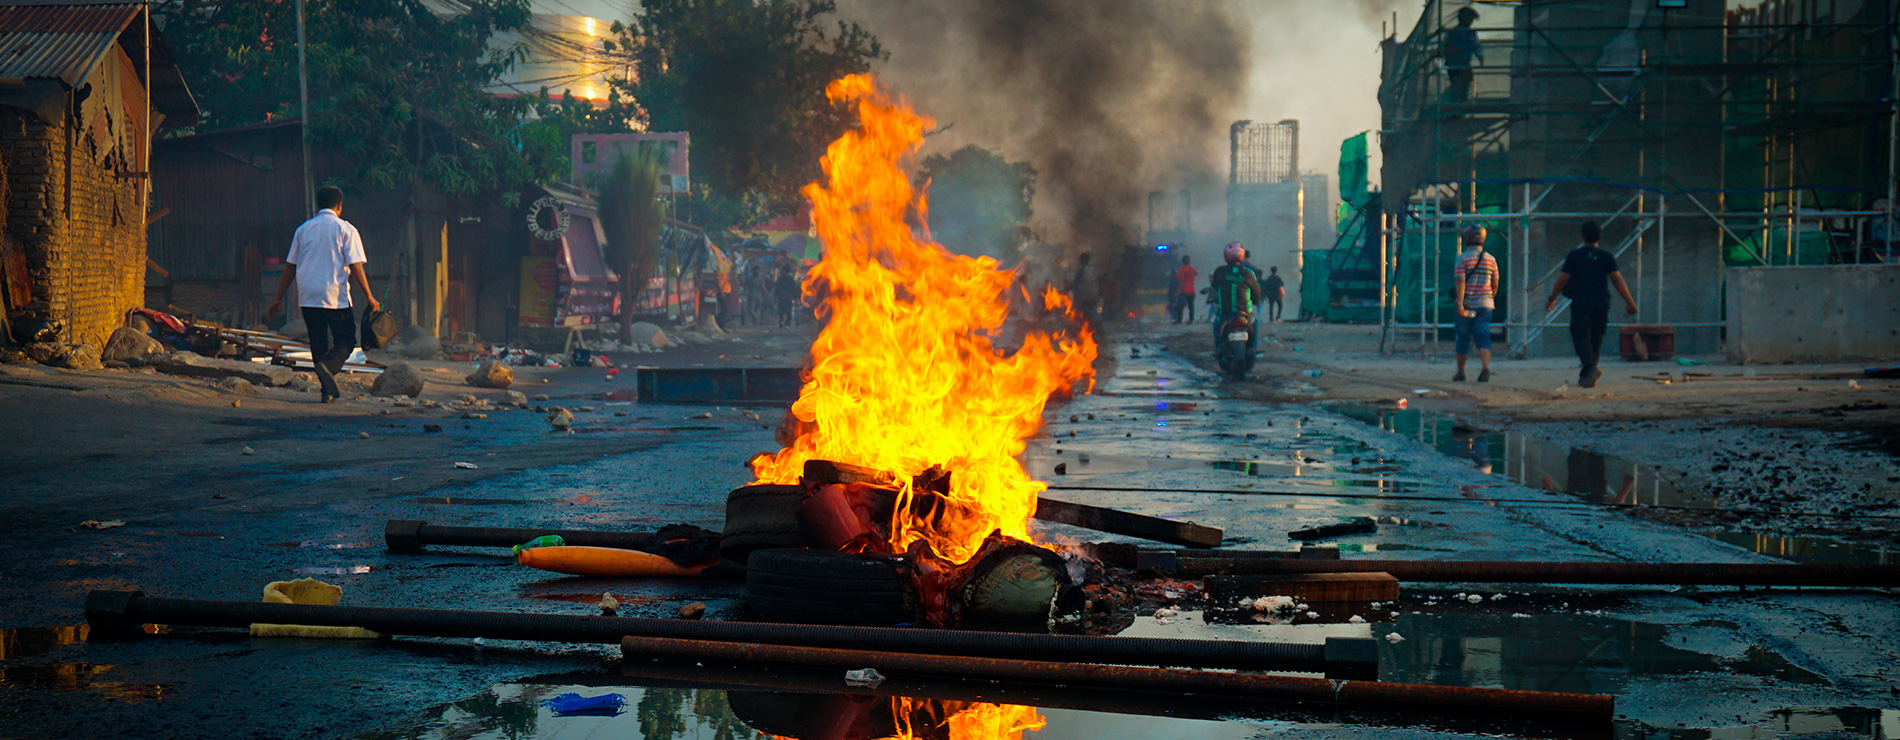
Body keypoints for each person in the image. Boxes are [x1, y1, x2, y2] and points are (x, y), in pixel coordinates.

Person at [267, 186, 380, 403]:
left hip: (308, 296)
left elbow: (290, 267)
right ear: (339, 206)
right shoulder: (346, 229)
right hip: (334, 295)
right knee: (346, 341)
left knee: (318, 342)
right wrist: (368, 296)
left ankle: (326, 392)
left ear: (317, 205)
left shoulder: (303, 229)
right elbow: (355, 266)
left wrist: (278, 297)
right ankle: (327, 368)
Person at [1544, 220, 1637, 389]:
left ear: (1582, 236)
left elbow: (1562, 279)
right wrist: (1630, 303)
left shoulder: (1575, 256)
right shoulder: (1606, 256)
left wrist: (1552, 297)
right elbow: (1617, 280)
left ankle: (1590, 367)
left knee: (1580, 336)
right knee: (1596, 337)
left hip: (1581, 301)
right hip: (1602, 301)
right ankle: (1588, 375)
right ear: (1600, 236)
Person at [1451, 224, 1498, 382]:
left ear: (1467, 238)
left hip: (1467, 305)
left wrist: (1460, 302)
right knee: (1483, 336)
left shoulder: (1462, 258)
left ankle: (1460, 372)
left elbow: (1460, 281)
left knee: (1463, 339)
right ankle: (1485, 368)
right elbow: (1495, 284)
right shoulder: (1491, 259)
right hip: (1485, 305)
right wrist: (1488, 298)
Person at [1208, 241, 1263, 351]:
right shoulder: (1249, 273)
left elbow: (1214, 287)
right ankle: (1253, 348)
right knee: (1255, 324)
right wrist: (1255, 300)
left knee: (1216, 325)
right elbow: (1256, 297)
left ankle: (1218, 348)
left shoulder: (1220, 271)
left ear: (1226, 256)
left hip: (1225, 314)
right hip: (1245, 314)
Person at [1443, 6, 1483, 102]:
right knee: (1456, 85)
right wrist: (1451, 50)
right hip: (1454, 64)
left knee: (1465, 84)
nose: (1470, 22)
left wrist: (1480, 56)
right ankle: (1455, 106)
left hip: (1464, 64)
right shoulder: (1452, 33)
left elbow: (1476, 45)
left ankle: (1461, 105)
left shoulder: (1471, 33)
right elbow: (1444, 47)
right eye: (1469, 19)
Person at [1069, 252, 1099, 322]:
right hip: (1093, 297)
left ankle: (1087, 329)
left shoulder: (1081, 271)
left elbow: (1076, 283)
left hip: (1084, 298)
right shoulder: (1094, 270)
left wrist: (1069, 287)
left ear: (1082, 260)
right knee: (1091, 315)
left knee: (1084, 316)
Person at [1170, 255, 1198, 324]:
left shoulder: (1182, 269)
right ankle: (1191, 319)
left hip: (1184, 291)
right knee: (1191, 306)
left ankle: (1179, 319)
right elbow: (1196, 274)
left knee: (1180, 306)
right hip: (1192, 290)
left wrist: (1178, 290)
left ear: (1183, 261)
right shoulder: (1192, 268)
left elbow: (1180, 280)